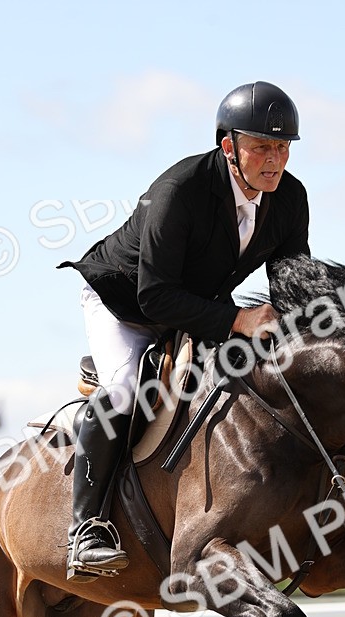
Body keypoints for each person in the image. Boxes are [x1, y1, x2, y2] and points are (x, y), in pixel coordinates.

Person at [59, 81, 310, 579]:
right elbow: (155, 296)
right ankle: (85, 528)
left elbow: (291, 283)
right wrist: (239, 320)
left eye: (282, 147)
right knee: (127, 390)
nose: (274, 160)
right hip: (124, 301)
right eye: (261, 146)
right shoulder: (181, 192)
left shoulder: (289, 198)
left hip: (197, 302)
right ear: (229, 147)